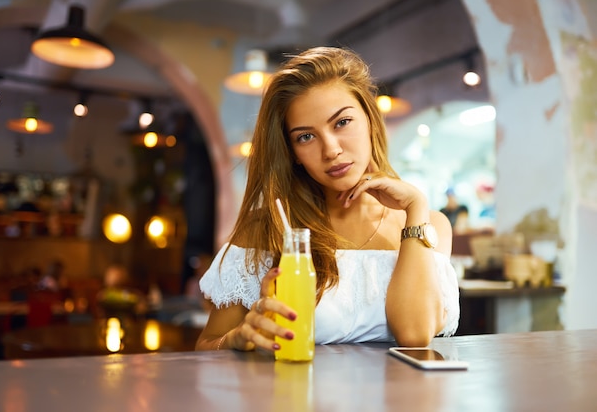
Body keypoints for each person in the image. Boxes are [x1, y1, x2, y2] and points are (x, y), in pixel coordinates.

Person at [196, 46, 459, 352]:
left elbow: (414, 335)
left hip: (404, 400)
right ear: (292, 153)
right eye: (305, 136)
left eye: (342, 122)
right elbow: (204, 348)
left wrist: (416, 208)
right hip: (297, 399)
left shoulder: (430, 225)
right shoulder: (266, 231)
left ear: (371, 120)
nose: (331, 149)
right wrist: (238, 337)